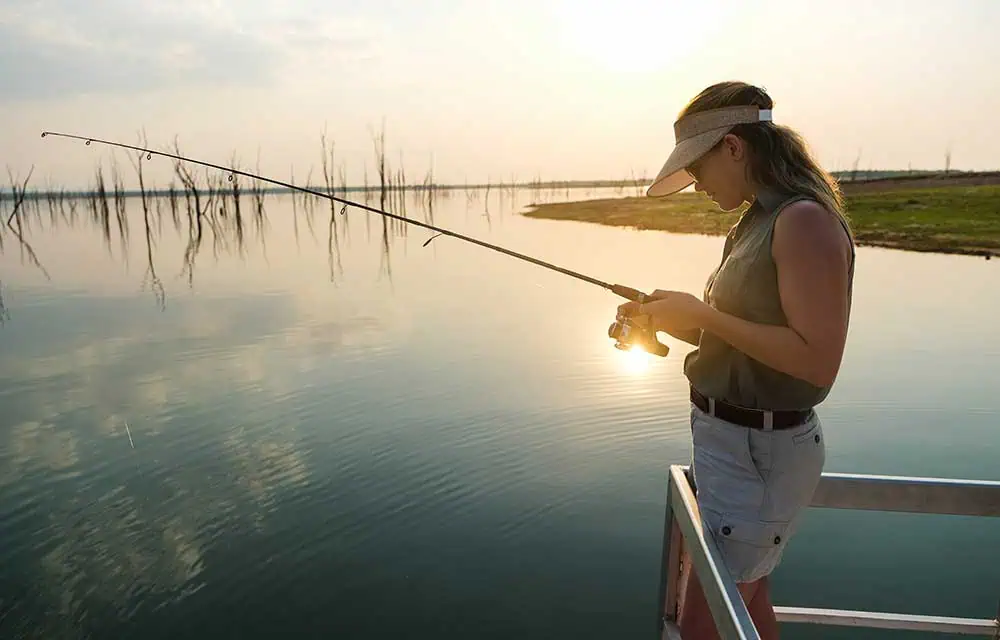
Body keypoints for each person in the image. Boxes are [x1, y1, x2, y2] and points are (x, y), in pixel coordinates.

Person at [617, 81, 856, 639]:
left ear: (733, 147)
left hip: (760, 457)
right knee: (748, 605)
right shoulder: (756, 221)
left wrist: (704, 314)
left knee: (704, 627)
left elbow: (817, 362)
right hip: (732, 446)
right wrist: (672, 320)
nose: (696, 183)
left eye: (697, 167)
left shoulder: (803, 221)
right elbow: (748, 339)